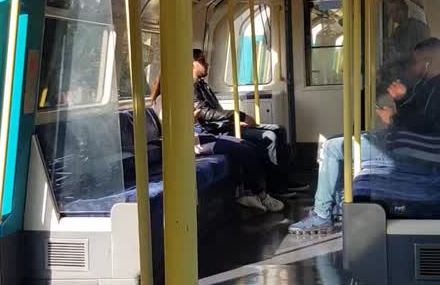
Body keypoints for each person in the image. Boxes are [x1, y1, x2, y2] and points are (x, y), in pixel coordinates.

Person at [289, 37, 440, 233]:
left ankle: (322, 216)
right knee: (336, 139)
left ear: (428, 61)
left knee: (333, 147)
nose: (415, 67)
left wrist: (393, 119)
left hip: (417, 154)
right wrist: (400, 101)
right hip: (409, 143)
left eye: (418, 62)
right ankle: (335, 205)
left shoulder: (436, 87)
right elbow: (419, 117)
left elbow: (427, 125)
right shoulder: (428, 85)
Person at [151, 76, 285, 213]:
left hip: (202, 136)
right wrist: (192, 117)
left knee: (248, 146)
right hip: (192, 143)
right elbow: (173, 128)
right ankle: (261, 196)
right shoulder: (163, 100)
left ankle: (249, 193)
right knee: (244, 151)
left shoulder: (179, 97)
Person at [191, 49, 308, 196]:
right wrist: (238, 116)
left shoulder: (202, 85)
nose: (207, 64)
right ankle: (275, 188)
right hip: (218, 131)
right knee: (269, 137)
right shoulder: (191, 87)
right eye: (202, 61)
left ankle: (284, 179)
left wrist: (232, 121)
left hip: (227, 125)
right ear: (192, 65)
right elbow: (205, 113)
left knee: (279, 129)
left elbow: (215, 111)